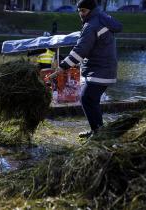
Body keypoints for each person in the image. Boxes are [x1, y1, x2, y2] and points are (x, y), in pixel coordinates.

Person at [47, 0, 122, 138]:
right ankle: (98, 131)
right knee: (90, 100)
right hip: (104, 68)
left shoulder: (91, 25)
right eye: (79, 11)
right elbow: (89, 48)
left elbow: (80, 50)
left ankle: (98, 132)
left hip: (100, 69)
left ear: (91, 10)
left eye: (84, 11)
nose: (81, 14)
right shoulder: (101, 19)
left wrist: (63, 66)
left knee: (87, 98)